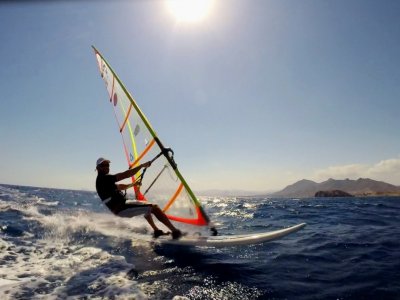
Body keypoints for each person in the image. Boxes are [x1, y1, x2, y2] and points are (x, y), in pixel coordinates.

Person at [95, 157, 182, 239]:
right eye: (103, 165)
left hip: (123, 205)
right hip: (122, 208)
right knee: (154, 208)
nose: (106, 167)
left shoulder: (104, 180)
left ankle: (156, 231)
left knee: (145, 206)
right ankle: (175, 231)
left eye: (107, 165)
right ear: (98, 168)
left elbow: (120, 187)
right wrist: (141, 166)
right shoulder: (103, 178)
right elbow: (125, 174)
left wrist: (133, 184)